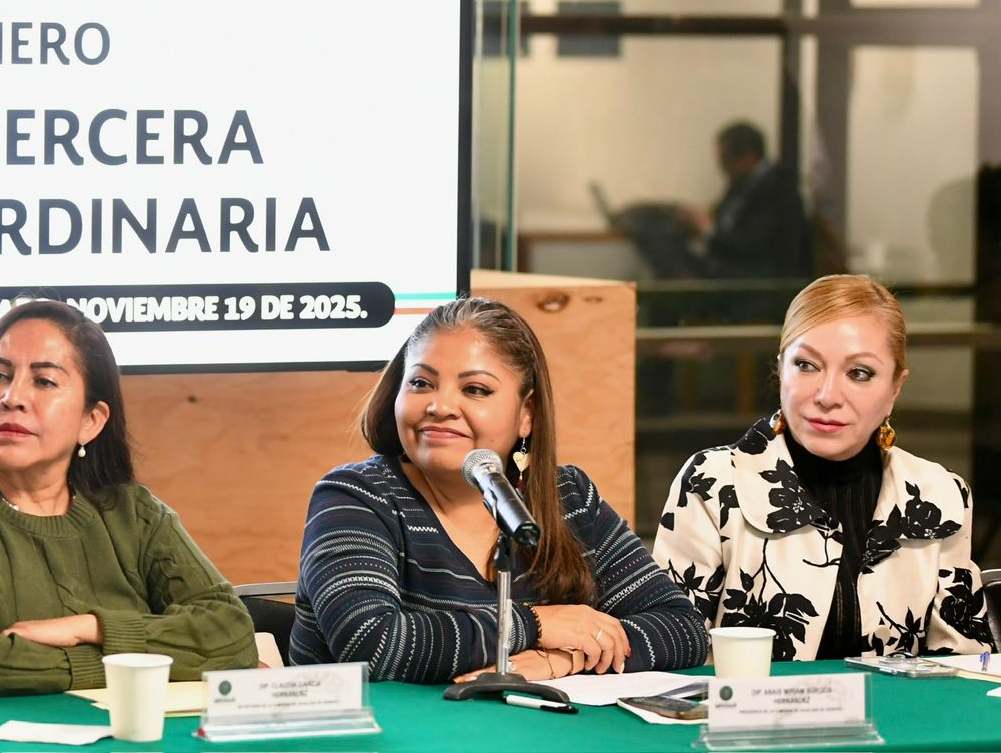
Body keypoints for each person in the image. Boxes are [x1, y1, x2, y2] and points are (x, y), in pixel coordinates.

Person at [289, 297, 709, 683]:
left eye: (475, 389)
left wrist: (560, 660)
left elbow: (683, 628)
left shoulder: (570, 497)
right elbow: (374, 642)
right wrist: (538, 624)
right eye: (420, 383)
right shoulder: (354, 496)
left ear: (527, 414)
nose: (440, 406)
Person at [0, 298, 257, 696]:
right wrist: (130, 667)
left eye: (44, 381)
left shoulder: (134, 514)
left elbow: (230, 635)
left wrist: (89, 627)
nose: (11, 397)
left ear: (91, 421)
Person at [654, 274, 992, 659]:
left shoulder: (940, 494)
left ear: (895, 389)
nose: (828, 396)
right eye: (806, 365)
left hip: (900, 703)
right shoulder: (712, 482)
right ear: (781, 368)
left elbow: (967, 666)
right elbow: (673, 654)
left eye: (859, 373)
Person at [680, 120, 812, 280]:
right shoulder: (744, 185)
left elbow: (747, 247)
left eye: (725, 160)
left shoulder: (777, 189)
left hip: (758, 283)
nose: (722, 168)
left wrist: (706, 229)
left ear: (748, 158)